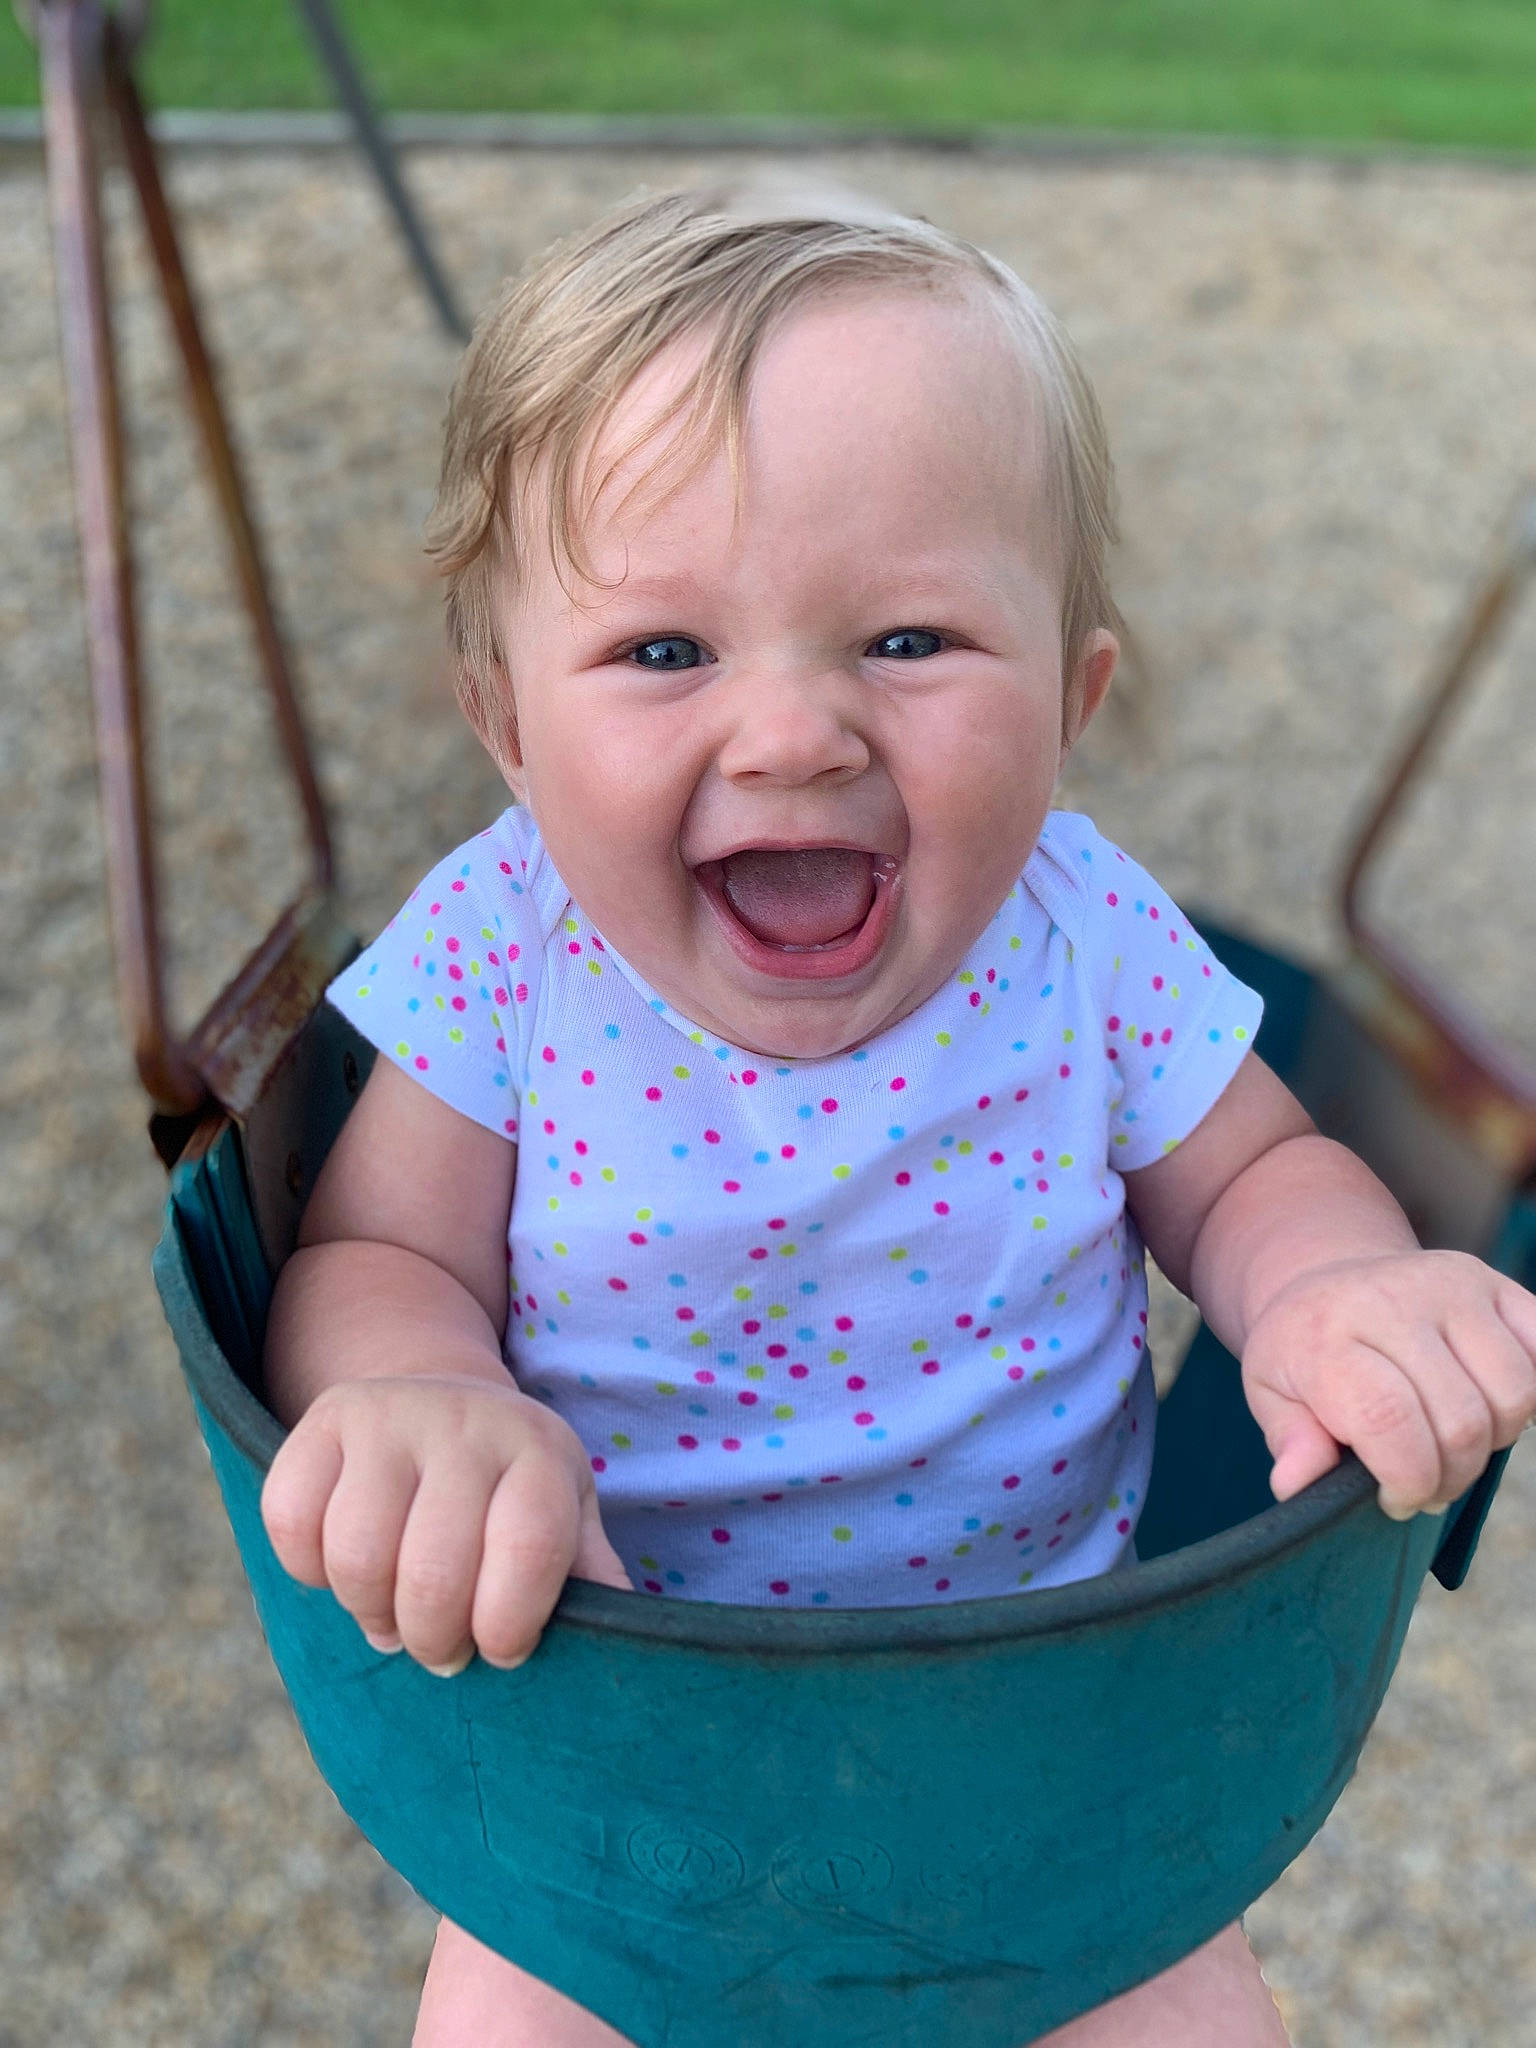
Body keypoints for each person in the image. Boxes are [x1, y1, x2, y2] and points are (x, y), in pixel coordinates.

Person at [258, 181, 1536, 2047]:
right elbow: (373, 1251)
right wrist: (425, 1394)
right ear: (507, 722)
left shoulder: (1084, 936)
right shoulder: (499, 944)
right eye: (666, 652)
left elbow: (1256, 1171)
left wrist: (1339, 1281)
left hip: (1042, 1752)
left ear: (1073, 699)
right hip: (611, 1737)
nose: (796, 737)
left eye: (910, 643)